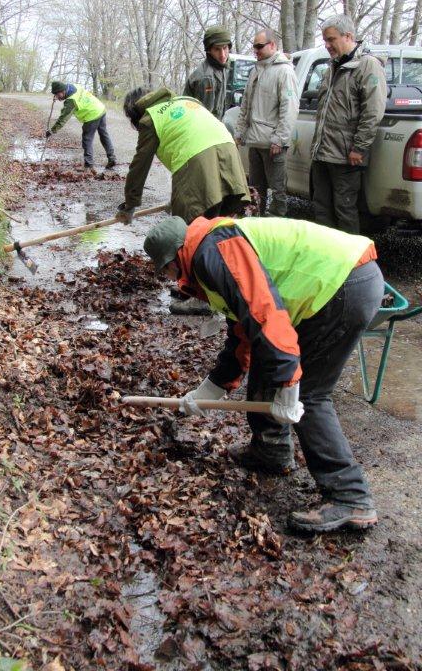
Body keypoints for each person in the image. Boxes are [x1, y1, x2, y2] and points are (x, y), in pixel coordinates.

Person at [143, 214, 384, 533]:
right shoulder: (209, 250)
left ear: (175, 257)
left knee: (308, 396)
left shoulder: (211, 253)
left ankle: (350, 497)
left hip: (340, 283)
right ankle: (270, 450)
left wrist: (289, 382)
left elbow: (263, 312)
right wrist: (211, 389)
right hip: (343, 279)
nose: (172, 279)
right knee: (266, 359)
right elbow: (244, 330)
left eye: (167, 270)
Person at [116, 86, 251, 315]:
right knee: (215, 224)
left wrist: (129, 205)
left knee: (193, 230)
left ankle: (203, 296)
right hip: (227, 153)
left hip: (200, 160)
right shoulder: (183, 101)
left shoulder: (151, 119)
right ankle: (214, 286)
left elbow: (140, 165)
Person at [311, 15, 387, 233]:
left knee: (345, 210)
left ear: (348, 36)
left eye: (331, 39)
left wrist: (359, 148)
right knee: (321, 209)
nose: (327, 45)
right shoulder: (332, 67)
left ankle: (352, 263)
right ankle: (326, 257)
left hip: (346, 156)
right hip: (322, 153)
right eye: (325, 40)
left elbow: (373, 112)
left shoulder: (367, 66)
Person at [235, 28, 299, 217]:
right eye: (254, 46)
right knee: (255, 189)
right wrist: (239, 133)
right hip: (254, 141)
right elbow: (245, 106)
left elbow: (289, 108)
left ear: (272, 45)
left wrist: (279, 139)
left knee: (278, 191)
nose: (255, 50)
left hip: (273, 144)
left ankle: (278, 228)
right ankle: (256, 225)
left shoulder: (284, 71)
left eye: (259, 46)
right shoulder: (256, 70)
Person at [46, 81, 117, 170]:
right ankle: (112, 158)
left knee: (87, 139)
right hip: (100, 109)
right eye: (55, 95)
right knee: (104, 135)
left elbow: (63, 119)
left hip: (92, 115)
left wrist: (52, 131)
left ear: (63, 91)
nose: (57, 97)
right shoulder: (74, 86)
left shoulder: (71, 101)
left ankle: (88, 166)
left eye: (57, 95)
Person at [183, 24, 232, 120]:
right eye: (217, 49)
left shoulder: (221, 67)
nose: (222, 54)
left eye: (225, 48)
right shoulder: (206, 78)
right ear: (209, 50)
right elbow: (205, 118)